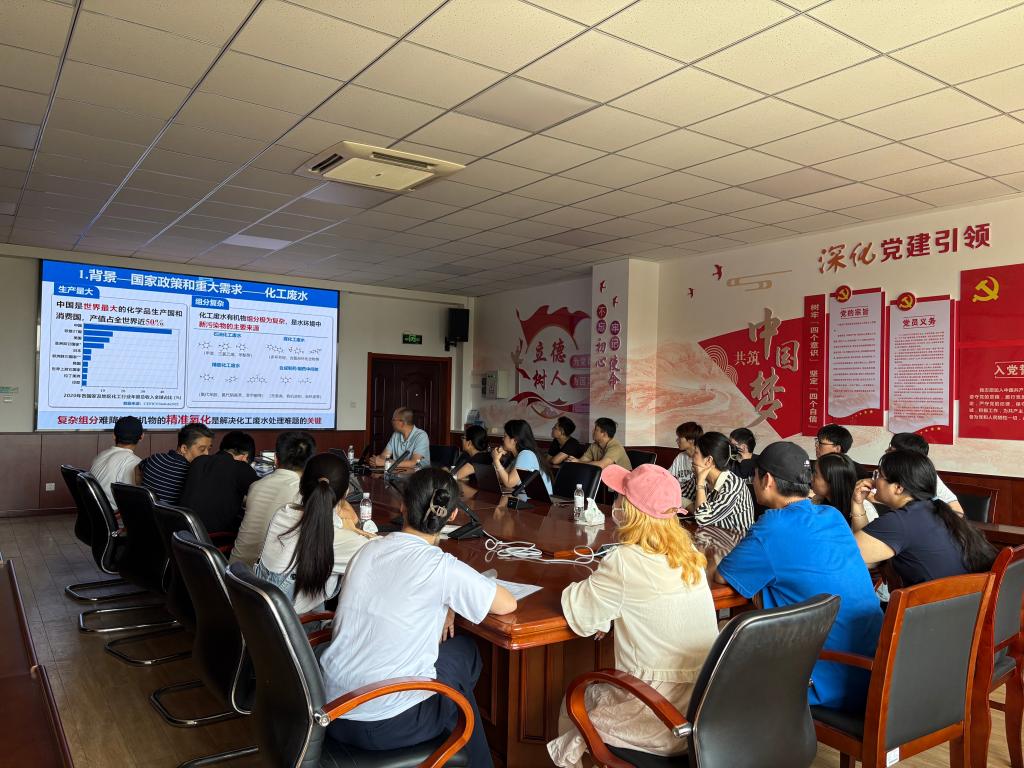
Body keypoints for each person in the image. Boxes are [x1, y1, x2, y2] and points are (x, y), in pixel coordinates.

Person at [321, 468, 517, 768]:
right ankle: (466, 756)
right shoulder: (441, 566)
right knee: (463, 652)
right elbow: (506, 604)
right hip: (385, 724)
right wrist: (451, 600)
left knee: (449, 672)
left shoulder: (368, 548)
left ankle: (463, 753)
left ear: (402, 506)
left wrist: (449, 603)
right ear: (453, 516)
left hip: (331, 709)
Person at [548, 463, 718, 767]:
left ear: (630, 510)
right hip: (703, 712)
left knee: (573, 702)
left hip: (654, 715)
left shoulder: (624, 561)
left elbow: (580, 613)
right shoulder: (691, 556)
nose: (614, 503)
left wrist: (603, 603)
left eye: (619, 497)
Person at [716, 442, 883, 714]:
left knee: (721, 653)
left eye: (754, 476)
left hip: (822, 681)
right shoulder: (833, 516)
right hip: (873, 675)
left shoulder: (771, 526)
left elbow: (724, 576)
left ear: (767, 480)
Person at [854, 450, 996, 587]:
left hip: (932, 602)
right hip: (965, 599)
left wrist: (854, 504)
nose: (873, 481)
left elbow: (851, 555)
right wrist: (858, 504)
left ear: (898, 487)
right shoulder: (935, 508)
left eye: (879, 475)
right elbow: (868, 554)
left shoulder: (900, 521)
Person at [253, 452, 371, 614]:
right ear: (346, 493)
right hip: (300, 625)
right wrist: (353, 526)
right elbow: (382, 554)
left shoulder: (283, 514)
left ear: (301, 485)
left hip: (263, 619)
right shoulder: (338, 538)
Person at [230, 431, 317, 567]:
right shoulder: (304, 492)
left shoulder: (256, 486)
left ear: (276, 459)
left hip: (235, 570)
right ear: (310, 463)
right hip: (266, 576)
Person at [179, 431, 258, 534]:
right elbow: (262, 496)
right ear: (245, 457)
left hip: (183, 534)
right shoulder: (241, 467)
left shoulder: (198, 461)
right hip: (212, 538)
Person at [679, 432, 755, 533]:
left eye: (696, 453)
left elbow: (702, 518)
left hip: (735, 539)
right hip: (710, 534)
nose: (691, 457)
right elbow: (678, 493)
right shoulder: (701, 476)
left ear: (708, 460)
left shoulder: (733, 485)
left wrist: (700, 483)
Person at [887, 432, 964, 515]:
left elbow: (958, 512)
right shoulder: (887, 471)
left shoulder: (925, 476)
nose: (886, 451)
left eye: (891, 450)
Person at [139, 422, 213, 504]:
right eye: (202, 449)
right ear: (184, 448)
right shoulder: (192, 473)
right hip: (170, 512)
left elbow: (137, 469)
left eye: (209, 449)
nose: (207, 454)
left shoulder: (155, 458)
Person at [89, 415, 144, 510]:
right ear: (142, 437)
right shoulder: (135, 463)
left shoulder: (101, 455)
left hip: (94, 510)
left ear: (114, 436)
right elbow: (133, 499)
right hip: (113, 515)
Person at [811, 453, 878, 528]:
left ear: (832, 481)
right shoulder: (818, 501)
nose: (811, 478)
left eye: (815, 474)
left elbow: (863, 535)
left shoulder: (864, 508)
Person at [492, 419, 554, 496]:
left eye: (505, 436)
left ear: (514, 440)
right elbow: (501, 479)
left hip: (539, 501)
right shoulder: (517, 456)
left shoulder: (526, 454)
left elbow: (509, 483)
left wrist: (496, 461)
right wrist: (496, 461)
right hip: (528, 498)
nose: (503, 439)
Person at [567, 417, 632, 471]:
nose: (593, 431)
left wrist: (578, 462)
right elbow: (583, 460)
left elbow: (601, 465)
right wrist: (573, 461)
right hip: (604, 478)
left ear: (604, 434)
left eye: (596, 429)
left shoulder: (616, 447)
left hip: (621, 480)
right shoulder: (594, 445)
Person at [668, 421, 702, 489]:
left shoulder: (703, 459)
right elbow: (668, 475)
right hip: (679, 492)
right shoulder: (680, 456)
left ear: (691, 440)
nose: (677, 440)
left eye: (679, 437)